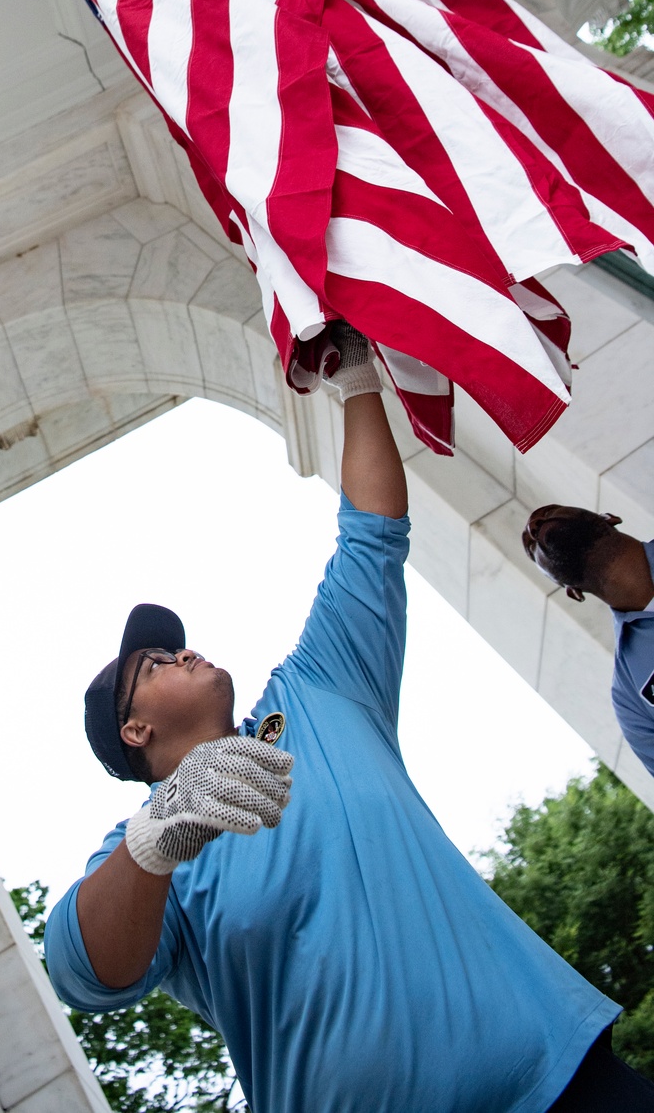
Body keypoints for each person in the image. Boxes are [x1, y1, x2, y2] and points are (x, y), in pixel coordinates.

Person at [45, 324, 654, 1113]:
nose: (181, 652)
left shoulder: (316, 694)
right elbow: (83, 975)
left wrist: (358, 381)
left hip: (570, 1084)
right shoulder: (151, 856)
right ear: (136, 733)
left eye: (175, 646)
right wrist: (158, 837)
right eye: (154, 666)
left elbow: (370, 538)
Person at [523, 504, 654, 778]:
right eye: (530, 544)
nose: (533, 527)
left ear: (611, 518)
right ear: (572, 593)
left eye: (548, 512)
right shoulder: (629, 696)